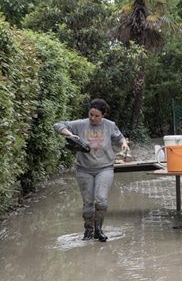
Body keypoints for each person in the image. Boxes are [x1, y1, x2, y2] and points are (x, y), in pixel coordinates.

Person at [54, 98, 129, 242]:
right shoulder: (81, 124)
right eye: (91, 115)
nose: (93, 118)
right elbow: (58, 125)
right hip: (83, 169)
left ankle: (98, 230)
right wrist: (70, 135)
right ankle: (88, 230)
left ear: (103, 115)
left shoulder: (110, 125)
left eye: (97, 116)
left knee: (101, 201)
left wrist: (124, 144)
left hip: (105, 167)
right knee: (88, 204)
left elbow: (120, 137)